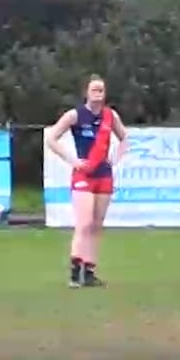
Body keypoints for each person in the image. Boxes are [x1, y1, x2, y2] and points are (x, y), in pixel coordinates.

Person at [45, 75, 128, 288]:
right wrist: (72, 160)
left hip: (104, 175)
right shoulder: (75, 115)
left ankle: (90, 271)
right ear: (86, 93)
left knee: (97, 225)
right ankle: (75, 271)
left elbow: (124, 138)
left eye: (101, 91)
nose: (98, 95)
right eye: (94, 90)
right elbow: (52, 138)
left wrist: (116, 158)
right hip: (84, 174)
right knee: (84, 223)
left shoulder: (111, 116)